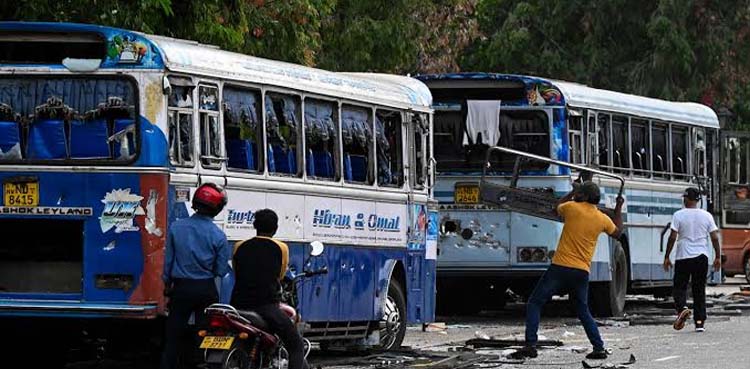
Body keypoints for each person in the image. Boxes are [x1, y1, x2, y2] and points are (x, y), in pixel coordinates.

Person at [512, 180, 624, 360]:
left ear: (584, 196)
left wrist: (572, 193)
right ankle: (599, 347)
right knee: (582, 309)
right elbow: (618, 233)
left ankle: (530, 345)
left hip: (560, 267)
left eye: (581, 192)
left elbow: (557, 207)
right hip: (581, 272)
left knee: (535, 302)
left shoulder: (572, 208)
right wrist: (618, 207)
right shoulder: (602, 218)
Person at [161, 183, 231, 369]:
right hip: (206, 289)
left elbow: (168, 263)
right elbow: (220, 270)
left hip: (181, 288)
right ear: (217, 209)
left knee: (173, 337)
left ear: (195, 203)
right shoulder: (219, 235)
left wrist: (167, 284)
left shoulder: (177, 228)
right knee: (205, 334)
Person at [231, 209, 308, 369]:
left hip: (237, 304)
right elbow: (279, 275)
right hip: (265, 305)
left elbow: (237, 272)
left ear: (255, 226)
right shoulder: (281, 248)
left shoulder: (239, 246)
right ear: (275, 228)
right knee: (296, 345)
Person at [663, 187, 721, 332]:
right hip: (702, 257)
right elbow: (714, 237)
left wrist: (667, 256)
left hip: (684, 256)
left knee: (679, 287)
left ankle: (682, 308)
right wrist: (718, 256)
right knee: (699, 289)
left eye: (685, 198)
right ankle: (700, 322)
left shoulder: (678, 215)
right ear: (697, 200)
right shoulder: (706, 216)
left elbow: (672, 237)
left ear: (687, 199)